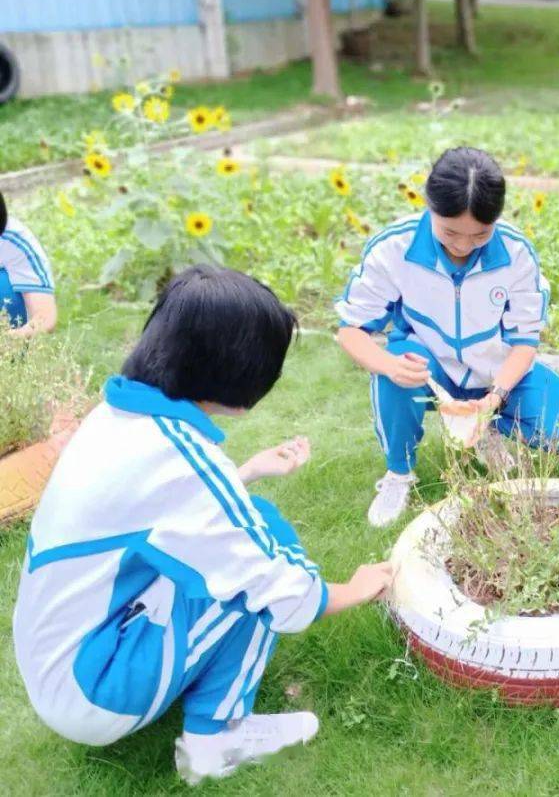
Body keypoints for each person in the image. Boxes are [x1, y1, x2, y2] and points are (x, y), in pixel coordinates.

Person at [13, 265, 393, 785]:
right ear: (241, 373)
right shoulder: (181, 457)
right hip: (93, 688)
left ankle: (184, 692)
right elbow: (276, 591)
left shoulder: (117, 416)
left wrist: (250, 470)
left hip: (55, 658)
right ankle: (214, 743)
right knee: (266, 551)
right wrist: (352, 590)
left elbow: (162, 516)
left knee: (240, 538)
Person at [336, 147, 559, 527]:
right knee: (395, 369)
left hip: (495, 373)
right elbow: (351, 331)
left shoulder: (516, 253)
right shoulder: (393, 248)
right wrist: (390, 365)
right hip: (428, 372)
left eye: (480, 234)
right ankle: (398, 473)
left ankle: (486, 429)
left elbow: (525, 343)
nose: (462, 245)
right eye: (449, 232)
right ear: (429, 207)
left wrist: (494, 398)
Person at [1, 190, 57, 336]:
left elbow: (45, 318)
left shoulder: (13, 238)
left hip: (8, 339)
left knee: (3, 289)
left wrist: (8, 340)